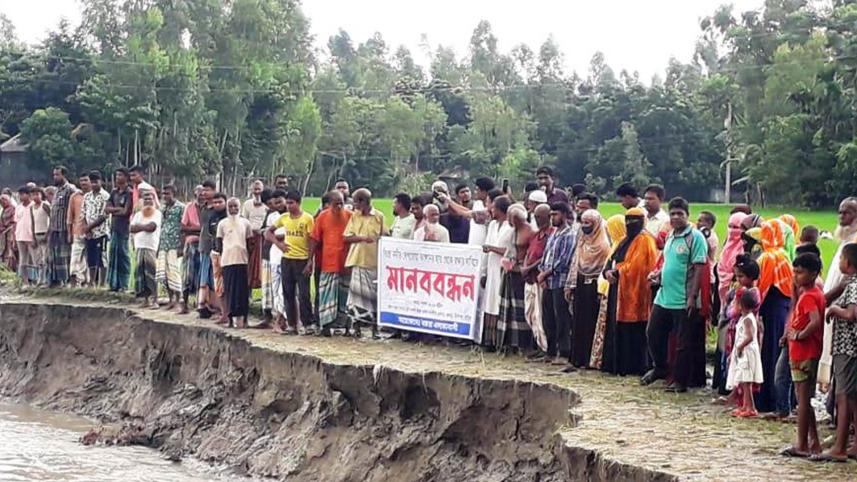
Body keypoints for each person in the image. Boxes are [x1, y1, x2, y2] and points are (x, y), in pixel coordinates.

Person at [641, 197, 708, 392]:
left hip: (683, 298)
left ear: (688, 216)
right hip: (664, 296)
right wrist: (658, 275)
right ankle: (660, 368)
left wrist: (692, 296)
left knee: (683, 343)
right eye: (673, 214)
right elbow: (669, 263)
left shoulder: (694, 238)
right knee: (652, 333)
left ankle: (680, 381)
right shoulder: (670, 235)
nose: (676, 217)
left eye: (680, 214)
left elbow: (698, 268)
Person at [600, 208, 658, 376]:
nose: (630, 224)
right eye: (628, 220)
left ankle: (634, 366)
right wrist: (607, 272)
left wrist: (617, 272)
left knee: (634, 329)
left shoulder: (645, 240)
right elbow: (612, 259)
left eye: (635, 220)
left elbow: (638, 266)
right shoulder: (625, 239)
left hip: (636, 291)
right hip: (618, 289)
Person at [814, 243, 857, 462]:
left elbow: (851, 314)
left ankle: (839, 446)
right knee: (852, 396)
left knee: (844, 395)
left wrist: (834, 310)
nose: (838, 262)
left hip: (847, 347)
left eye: (841, 258)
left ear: (848, 263)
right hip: (848, 348)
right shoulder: (848, 284)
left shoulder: (853, 285)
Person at [781, 253, 825, 458]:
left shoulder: (809, 296)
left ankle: (802, 443)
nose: (796, 276)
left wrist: (799, 335)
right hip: (803, 351)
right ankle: (813, 441)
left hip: (804, 352)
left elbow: (815, 321)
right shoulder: (811, 293)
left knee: (802, 400)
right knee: (804, 399)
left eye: (800, 273)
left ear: (813, 273)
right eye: (794, 272)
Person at [757, 220, 795, 416]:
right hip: (784, 305)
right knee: (778, 352)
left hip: (771, 306)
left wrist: (755, 310)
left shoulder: (768, 257)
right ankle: (781, 399)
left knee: (770, 351)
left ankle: (769, 399)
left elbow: (761, 286)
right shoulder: (784, 255)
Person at [565, 209, 611, 370]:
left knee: (591, 323)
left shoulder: (603, 245)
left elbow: (604, 269)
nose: (584, 226)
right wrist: (570, 285)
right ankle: (576, 359)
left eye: (588, 223)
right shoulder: (582, 241)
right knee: (578, 322)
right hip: (580, 284)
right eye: (582, 222)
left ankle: (589, 359)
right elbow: (575, 263)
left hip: (594, 287)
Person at [820, 198, 857, 389]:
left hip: (846, 308)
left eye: (847, 213)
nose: (842, 217)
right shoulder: (845, 239)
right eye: (840, 212)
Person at [267, 190, 316, 334]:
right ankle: (291, 324)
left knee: (304, 294)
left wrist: (310, 261)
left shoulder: (307, 219)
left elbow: (312, 240)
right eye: (287, 203)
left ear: (299, 203)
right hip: (287, 259)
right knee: (288, 292)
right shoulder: (284, 218)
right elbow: (268, 232)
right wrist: (278, 244)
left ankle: (307, 324)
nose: (288, 206)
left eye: (291, 203)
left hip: (302, 259)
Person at [343, 188, 387, 336]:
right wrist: (362, 238)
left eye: (356, 201)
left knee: (373, 298)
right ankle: (356, 328)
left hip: (373, 262)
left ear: (363, 201)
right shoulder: (355, 217)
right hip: (358, 260)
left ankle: (375, 329)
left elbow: (384, 236)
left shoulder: (379, 216)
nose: (354, 205)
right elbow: (346, 237)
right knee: (356, 297)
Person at [538, 202, 577, 365]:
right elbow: (546, 255)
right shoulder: (554, 233)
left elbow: (564, 261)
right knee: (548, 318)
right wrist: (542, 273)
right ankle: (550, 350)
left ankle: (564, 352)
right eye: (551, 214)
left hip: (560, 281)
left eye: (556, 214)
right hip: (548, 281)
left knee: (561, 318)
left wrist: (545, 273)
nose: (552, 217)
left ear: (565, 215)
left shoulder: (569, 235)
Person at [310, 191, 352, 335]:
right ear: (330, 204)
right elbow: (314, 239)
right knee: (326, 296)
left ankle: (344, 326)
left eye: (341, 203)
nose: (339, 206)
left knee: (344, 297)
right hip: (327, 263)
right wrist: (310, 260)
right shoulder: (322, 216)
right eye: (336, 204)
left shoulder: (350, 216)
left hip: (346, 263)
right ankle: (326, 326)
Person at [496, 204, 535, 352]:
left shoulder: (530, 231)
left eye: (512, 219)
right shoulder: (513, 231)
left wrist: (524, 266)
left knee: (520, 309)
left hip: (521, 273)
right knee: (509, 308)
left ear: (518, 219)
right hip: (510, 272)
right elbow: (509, 249)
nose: (510, 221)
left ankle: (523, 344)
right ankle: (508, 343)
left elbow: (532, 253)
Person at [481, 195, 514, 348]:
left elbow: (510, 251)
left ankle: (500, 341)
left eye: (493, 207)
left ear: (500, 210)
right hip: (492, 269)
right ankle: (489, 339)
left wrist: (492, 249)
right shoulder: (493, 225)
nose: (491, 210)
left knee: (499, 303)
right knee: (489, 303)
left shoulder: (511, 227)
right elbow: (486, 247)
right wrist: (484, 272)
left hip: (502, 270)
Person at [215, 198, 253, 328]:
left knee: (243, 290)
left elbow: (249, 242)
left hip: (242, 260)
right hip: (227, 261)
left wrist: (248, 256)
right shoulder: (222, 223)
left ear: (239, 206)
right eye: (230, 206)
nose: (233, 209)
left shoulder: (245, 223)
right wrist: (221, 257)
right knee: (230, 290)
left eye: (235, 206)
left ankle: (245, 319)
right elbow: (219, 242)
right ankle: (230, 320)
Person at [726, 289, 764, 417]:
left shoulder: (748, 319)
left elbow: (749, 337)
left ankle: (750, 407)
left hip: (746, 353)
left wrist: (739, 348)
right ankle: (745, 406)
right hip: (742, 352)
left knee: (746, 382)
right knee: (743, 380)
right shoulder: (744, 318)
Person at [522, 204, 553, 355]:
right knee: (530, 314)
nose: (537, 219)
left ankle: (546, 348)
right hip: (530, 279)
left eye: (540, 217)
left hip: (541, 279)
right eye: (535, 217)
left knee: (541, 316)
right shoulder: (535, 234)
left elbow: (545, 257)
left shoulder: (552, 234)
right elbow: (529, 252)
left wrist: (529, 268)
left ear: (549, 217)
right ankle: (539, 344)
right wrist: (525, 266)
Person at [129, 191, 162, 308]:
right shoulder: (138, 214)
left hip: (151, 246)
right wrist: (143, 227)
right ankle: (146, 300)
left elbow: (151, 227)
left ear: (154, 200)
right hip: (139, 246)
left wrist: (139, 227)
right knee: (140, 273)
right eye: (146, 199)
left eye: (150, 199)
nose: (148, 201)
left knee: (151, 272)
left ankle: (155, 300)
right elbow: (131, 228)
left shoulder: (157, 214)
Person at [198, 192, 227, 318]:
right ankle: (214, 308)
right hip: (215, 251)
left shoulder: (228, 216)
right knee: (215, 281)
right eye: (215, 202)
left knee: (225, 282)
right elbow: (209, 233)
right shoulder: (211, 216)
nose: (217, 204)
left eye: (220, 202)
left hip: (228, 253)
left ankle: (224, 311)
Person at [179, 184, 207, 314]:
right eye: (199, 192)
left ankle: (200, 304)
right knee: (187, 274)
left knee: (203, 274)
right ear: (195, 193)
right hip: (192, 244)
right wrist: (201, 230)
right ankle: (184, 304)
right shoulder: (189, 207)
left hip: (205, 244)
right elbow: (183, 228)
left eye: (203, 192)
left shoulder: (209, 208)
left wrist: (196, 230)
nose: (201, 194)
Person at [47, 166, 76, 287]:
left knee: (65, 255)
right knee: (54, 255)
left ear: (64, 175)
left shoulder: (70, 189)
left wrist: (71, 229)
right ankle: (55, 281)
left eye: (57, 175)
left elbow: (74, 209)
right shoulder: (56, 190)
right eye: (54, 175)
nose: (55, 177)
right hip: (54, 228)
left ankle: (67, 281)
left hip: (64, 228)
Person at [262, 190, 288, 330]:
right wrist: (279, 240)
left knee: (287, 290)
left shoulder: (291, 217)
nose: (278, 205)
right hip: (275, 256)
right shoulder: (273, 217)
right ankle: (278, 319)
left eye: (280, 201)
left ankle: (285, 319)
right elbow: (268, 234)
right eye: (275, 202)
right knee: (276, 289)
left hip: (290, 256)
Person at [156, 185, 184, 309]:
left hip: (174, 243)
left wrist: (181, 246)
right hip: (163, 243)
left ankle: (178, 299)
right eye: (163, 194)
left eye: (167, 194)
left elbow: (183, 228)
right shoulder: (162, 208)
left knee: (174, 272)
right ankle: (171, 299)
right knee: (164, 273)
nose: (165, 196)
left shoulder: (181, 207)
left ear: (174, 193)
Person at [106, 168, 132, 292]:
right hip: (114, 228)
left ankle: (124, 284)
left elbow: (126, 211)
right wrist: (118, 209)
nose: (117, 177)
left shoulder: (129, 193)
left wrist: (114, 210)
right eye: (116, 175)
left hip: (124, 229)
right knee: (113, 255)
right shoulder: (114, 192)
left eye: (120, 175)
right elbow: (107, 208)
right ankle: (113, 284)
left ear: (126, 177)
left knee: (123, 256)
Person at [82, 172, 110, 287]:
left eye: (96, 182)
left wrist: (90, 227)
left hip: (101, 232)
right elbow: (83, 213)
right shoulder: (87, 196)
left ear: (101, 182)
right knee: (91, 258)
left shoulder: (105, 196)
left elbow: (104, 216)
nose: (93, 185)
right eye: (92, 182)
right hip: (89, 233)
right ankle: (91, 281)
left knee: (102, 258)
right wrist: (86, 229)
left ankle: (102, 283)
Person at [717, 212, 749, 306]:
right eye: (730, 226)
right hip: (723, 288)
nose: (731, 230)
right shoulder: (726, 246)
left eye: (736, 227)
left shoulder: (745, 247)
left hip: (739, 291)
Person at [242, 179, 267, 290]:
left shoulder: (267, 204)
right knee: (249, 266)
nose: (257, 192)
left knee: (263, 266)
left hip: (264, 238)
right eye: (255, 189)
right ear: (252, 191)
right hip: (251, 238)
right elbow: (244, 220)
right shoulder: (247, 204)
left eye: (259, 189)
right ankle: (248, 293)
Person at [66, 174, 90, 286]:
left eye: (86, 180)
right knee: (76, 257)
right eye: (81, 180)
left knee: (89, 258)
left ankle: (87, 281)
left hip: (93, 233)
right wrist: (69, 233)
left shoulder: (95, 196)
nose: (83, 183)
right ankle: (75, 280)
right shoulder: (75, 196)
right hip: (77, 231)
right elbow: (70, 216)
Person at [14, 186, 35, 285]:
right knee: (23, 259)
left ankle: (36, 280)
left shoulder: (34, 205)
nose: (20, 197)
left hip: (31, 236)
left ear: (28, 195)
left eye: (22, 194)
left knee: (35, 258)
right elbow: (15, 222)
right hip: (20, 235)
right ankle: (24, 281)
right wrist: (14, 237)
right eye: (19, 195)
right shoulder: (18, 207)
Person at [30, 187, 50, 285]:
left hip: (45, 233)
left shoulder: (45, 205)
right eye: (33, 195)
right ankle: (39, 279)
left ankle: (45, 279)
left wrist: (48, 233)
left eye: (37, 194)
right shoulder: (32, 207)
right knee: (38, 259)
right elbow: (33, 222)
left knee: (45, 258)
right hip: (37, 234)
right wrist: (33, 236)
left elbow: (52, 219)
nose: (35, 197)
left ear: (41, 195)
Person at [0, 194, 17, 272]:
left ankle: (10, 270)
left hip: (10, 232)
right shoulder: (3, 210)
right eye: (1, 201)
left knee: (10, 251)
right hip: (3, 233)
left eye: (4, 200)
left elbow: (14, 222)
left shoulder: (13, 209)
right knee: (3, 251)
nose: (2, 202)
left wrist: (7, 228)